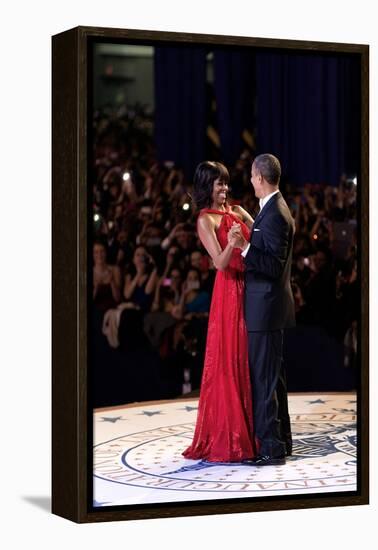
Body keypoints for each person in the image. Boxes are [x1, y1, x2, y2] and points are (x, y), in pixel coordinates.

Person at [182, 160, 258, 462]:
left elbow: (261, 232)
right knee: (229, 357)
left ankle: (253, 431)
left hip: (249, 287)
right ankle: (230, 436)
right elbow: (220, 262)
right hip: (227, 292)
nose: (224, 188)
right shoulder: (205, 220)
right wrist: (234, 243)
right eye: (218, 183)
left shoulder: (237, 211)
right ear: (207, 186)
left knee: (247, 358)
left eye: (225, 183)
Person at [230, 153, 295, 466]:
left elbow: (271, 264)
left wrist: (243, 246)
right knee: (274, 379)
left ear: (259, 177)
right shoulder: (273, 210)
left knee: (264, 381)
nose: (251, 181)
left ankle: (271, 449)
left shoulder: (276, 214)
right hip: (268, 309)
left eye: (253, 176)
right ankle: (282, 442)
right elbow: (269, 251)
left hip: (265, 310)